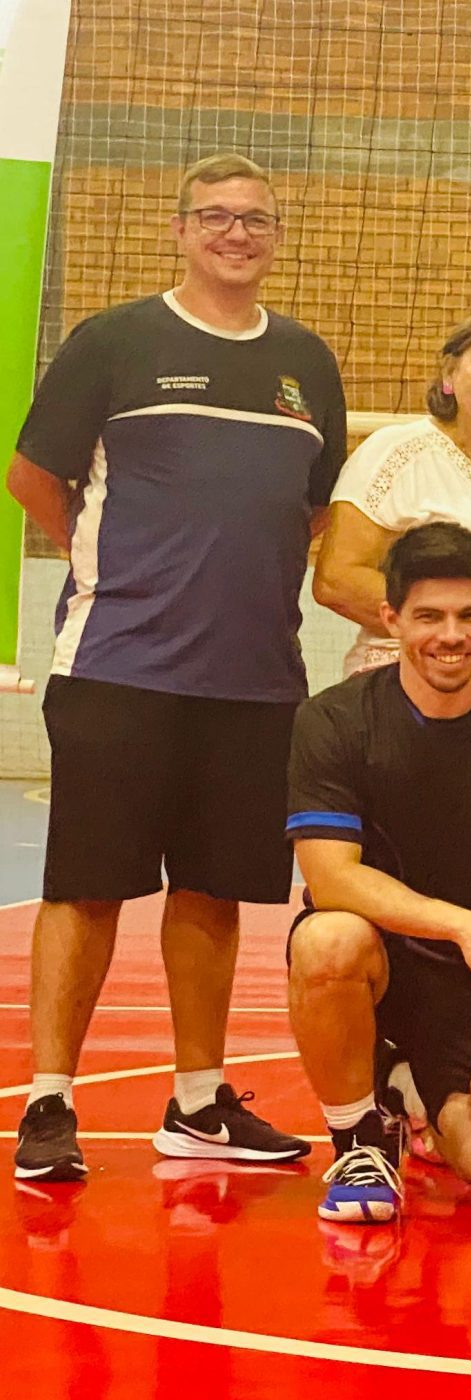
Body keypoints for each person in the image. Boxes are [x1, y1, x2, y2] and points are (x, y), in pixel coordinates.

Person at [9, 153, 344, 1183]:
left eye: (255, 219)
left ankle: (198, 1103)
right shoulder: (113, 342)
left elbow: (317, 507)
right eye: (216, 216)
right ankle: (49, 1104)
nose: (235, 233)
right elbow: (32, 476)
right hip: (120, 667)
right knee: (88, 886)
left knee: (213, 891)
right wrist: (112, 570)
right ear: (180, 229)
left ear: (276, 235)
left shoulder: (306, 363)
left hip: (254, 680)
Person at [281, 524, 471, 1222]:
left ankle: (412, 1091)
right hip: (374, 962)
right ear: (391, 619)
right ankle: (360, 1136)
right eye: (428, 617)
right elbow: (333, 882)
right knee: (329, 940)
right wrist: (464, 924)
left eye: (470, 616)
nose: (451, 636)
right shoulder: (335, 721)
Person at [316, 303, 471, 690]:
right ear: (450, 373)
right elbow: (336, 581)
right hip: (414, 687)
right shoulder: (395, 453)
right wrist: (466, 624)